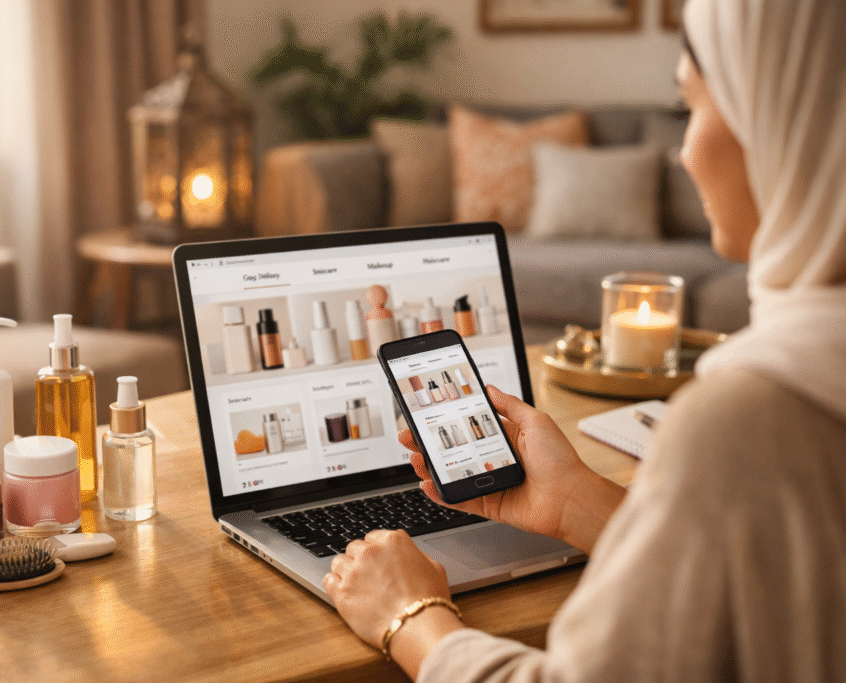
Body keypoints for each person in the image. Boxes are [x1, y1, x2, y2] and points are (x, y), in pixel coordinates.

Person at [322, 0, 846, 680]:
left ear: (787, 118)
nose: (683, 152)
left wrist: (412, 617)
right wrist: (578, 503)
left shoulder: (752, 418)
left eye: (693, 107)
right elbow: (785, 577)